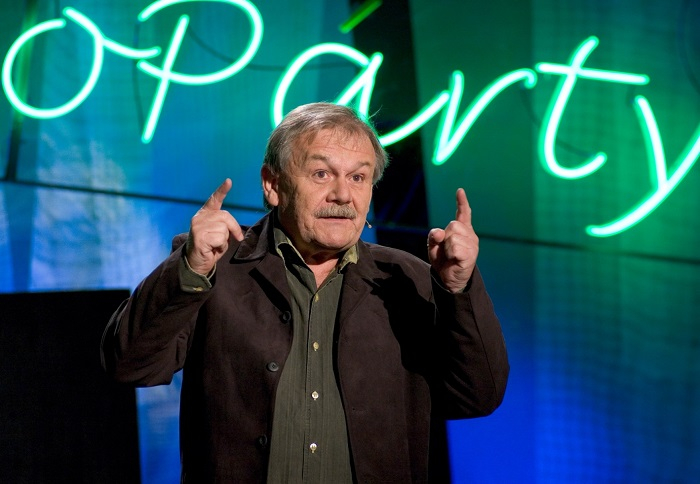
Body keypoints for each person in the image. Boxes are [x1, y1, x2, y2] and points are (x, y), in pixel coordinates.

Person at [101, 102, 509, 483]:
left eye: (358, 177)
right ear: (273, 185)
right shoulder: (215, 265)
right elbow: (130, 364)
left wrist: (458, 289)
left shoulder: (408, 279)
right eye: (321, 174)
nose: (343, 195)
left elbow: (478, 396)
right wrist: (190, 268)